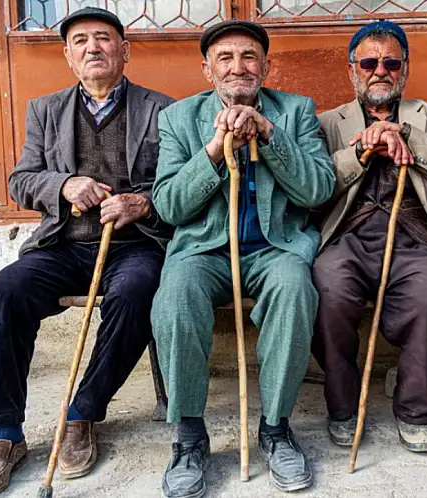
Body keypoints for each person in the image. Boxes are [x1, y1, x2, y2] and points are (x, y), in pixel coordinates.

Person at [0, 7, 174, 497]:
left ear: (125, 50)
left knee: (139, 291)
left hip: (134, 245)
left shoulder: (163, 109)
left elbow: (179, 184)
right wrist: (64, 184)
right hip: (64, 244)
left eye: (104, 39)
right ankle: (3, 434)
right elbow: (21, 180)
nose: (93, 48)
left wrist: (141, 202)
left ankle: (82, 413)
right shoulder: (45, 109)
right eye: (80, 42)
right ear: (68, 56)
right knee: (6, 292)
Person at [150, 20, 335, 497]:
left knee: (295, 289)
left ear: (266, 66)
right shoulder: (178, 118)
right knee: (173, 296)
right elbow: (170, 205)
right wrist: (214, 150)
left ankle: (275, 429)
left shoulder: (296, 111)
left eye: (249, 57)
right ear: (207, 69)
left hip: (276, 248)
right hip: (205, 249)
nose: (238, 67)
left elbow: (318, 188)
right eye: (225, 58)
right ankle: (189, 436)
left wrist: (270, 136)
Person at [312, 21, 427, 453]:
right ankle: (344, 406)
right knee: (327, 290)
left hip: (418, 239)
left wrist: (407, 136)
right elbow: (309, 188)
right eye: (369, 62)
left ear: (404, 69)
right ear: (353, 70)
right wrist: (358, 152)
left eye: (391, 62)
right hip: (347, 239)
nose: (379, 71)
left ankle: (416, 408)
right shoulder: (327, 122)